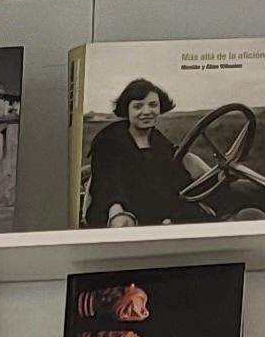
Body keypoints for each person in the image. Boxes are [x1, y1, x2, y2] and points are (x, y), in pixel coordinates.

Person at [82, 77, 195, 227]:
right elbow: (107, 181)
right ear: (126, 110)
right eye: (138, 106)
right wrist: (116, 211)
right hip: (122, 209)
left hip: (156, 206)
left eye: (153, 105)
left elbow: (177, 177)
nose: (147, 111)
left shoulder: (161, 142)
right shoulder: (108, 142)